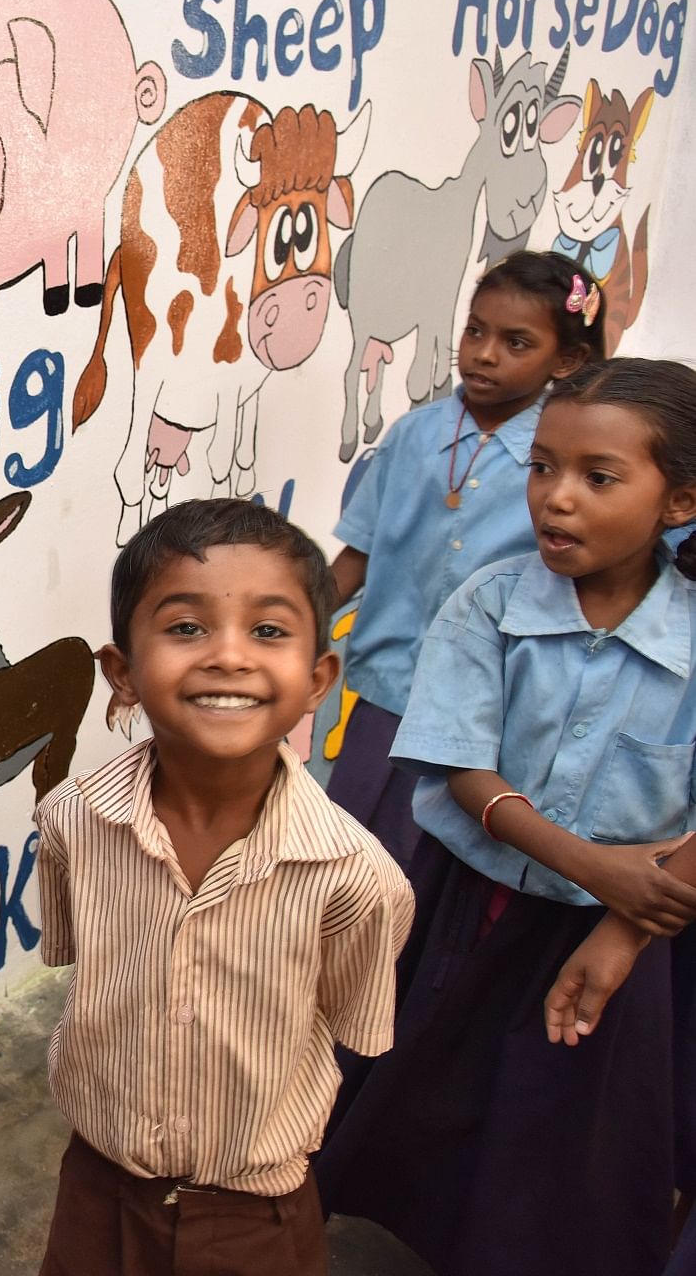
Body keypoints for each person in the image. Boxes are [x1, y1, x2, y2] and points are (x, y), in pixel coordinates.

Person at [317, 358, 696, 1276]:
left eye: (597, 478)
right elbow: (461, 771)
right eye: (541, 468)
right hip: (470, 904)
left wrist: (621, 923)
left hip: (641, 932)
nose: (555, 500)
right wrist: (598, 866)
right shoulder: (485, 604)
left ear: (677, 503)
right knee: (426, 1083)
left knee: (567, 1124)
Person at [34, 498, 414, 1276]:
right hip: (98, 1185)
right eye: (184, 628)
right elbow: (87, 965)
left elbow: (346, 1020)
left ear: (316, 680)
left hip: (255, 1214)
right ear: (122, 673)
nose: (228, 657)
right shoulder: (74, 819)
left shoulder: (354, 878)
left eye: (268, 631)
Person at [326, 251, 606, 865]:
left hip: (490, 715)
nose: (483, 353)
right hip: (385, 694)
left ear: (567, 360)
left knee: (431, 869)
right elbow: (358, 557)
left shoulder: (557, 463)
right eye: (475, 330)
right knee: (341, 857)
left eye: (516, 342)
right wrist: (285, 624)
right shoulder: (412, 436)